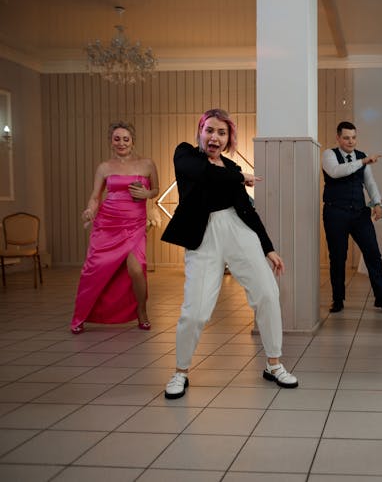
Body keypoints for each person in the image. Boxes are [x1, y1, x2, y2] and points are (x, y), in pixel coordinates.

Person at [161, 108, 297, 399]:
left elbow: (248, 210)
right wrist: (238, 177)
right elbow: (204, 174)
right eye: (209, 130)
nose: (214, 137)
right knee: (195, 312)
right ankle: (180, 372)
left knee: (268, 293)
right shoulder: (185, 155)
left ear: (229, 138)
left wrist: (268, 247)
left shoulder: (232, 169)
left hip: (238, 231)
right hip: (203, 235)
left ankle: (274, 364)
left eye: (222, 133)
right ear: (200, 132)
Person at [70, 122, 159, 334]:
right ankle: (80, 316)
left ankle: (142, 312)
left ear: (132, 141)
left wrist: (146, 194)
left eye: (125, 139)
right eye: (117, 139)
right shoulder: (104, 167)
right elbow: (95, 196)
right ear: (111, 142)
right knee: (94, 270)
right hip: (107, 224)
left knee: (137, 269)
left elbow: (155, 189)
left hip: (135, 224)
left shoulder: (147, 164)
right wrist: (90, 210)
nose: (121, 143)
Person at [322, 121, 382, 313]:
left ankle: (381, 297)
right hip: (335, 212)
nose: (351, 141)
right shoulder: (329, 155)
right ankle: (338, 299)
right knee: (338, 257)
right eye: (346, 138)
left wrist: (377, 203)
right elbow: (336, 172)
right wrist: (363, 162)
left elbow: (370, 183)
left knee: (373, 254)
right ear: (338, 138)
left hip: (359, 213)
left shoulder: (362, 157)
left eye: (353, 137)